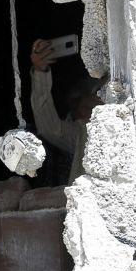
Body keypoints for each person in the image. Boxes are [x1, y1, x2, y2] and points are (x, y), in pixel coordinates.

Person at [29, 38, 103, 184]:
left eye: (98, 108)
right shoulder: (81, 133)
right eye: (87, 108)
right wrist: (40, 71)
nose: (91, 113)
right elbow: (49, 127)